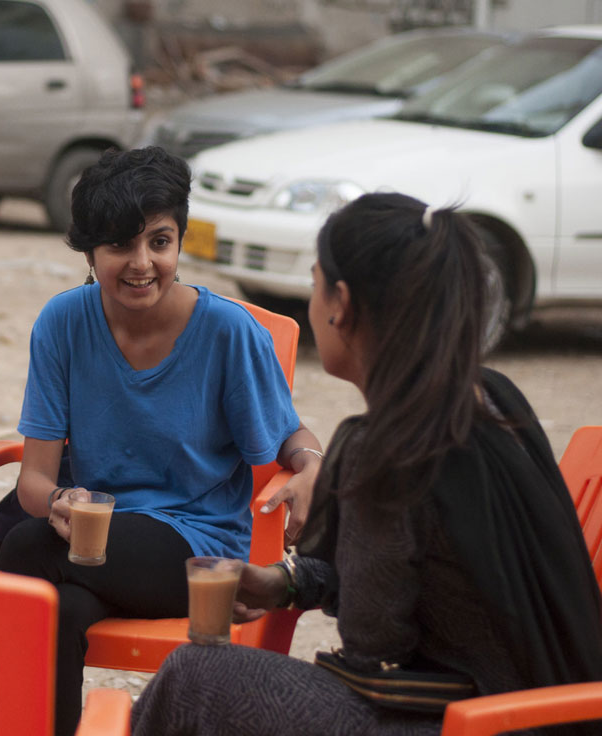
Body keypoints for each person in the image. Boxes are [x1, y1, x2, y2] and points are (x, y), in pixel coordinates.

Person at [131, 192, 602, 736]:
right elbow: (423, 570)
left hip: (466, 722)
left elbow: (374, 640)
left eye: (314, 283)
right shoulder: (491, 396)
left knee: (195, 675)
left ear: (342, 304)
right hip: (547, 709)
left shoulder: (389, 447)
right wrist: (287, 584)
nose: (312, 303)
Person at [0, 146, 322, 736]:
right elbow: (36, 480)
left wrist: (311, 463)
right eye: (120, 244)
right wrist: (59, 503)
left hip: (197, 549)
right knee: (57, 610)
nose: (142, 263)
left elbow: (287, 434)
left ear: (179, 241)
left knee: (20, 554)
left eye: (160, 241)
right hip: (90, 546)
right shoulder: (63, 323)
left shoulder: (226, 331)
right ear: (90, 251)